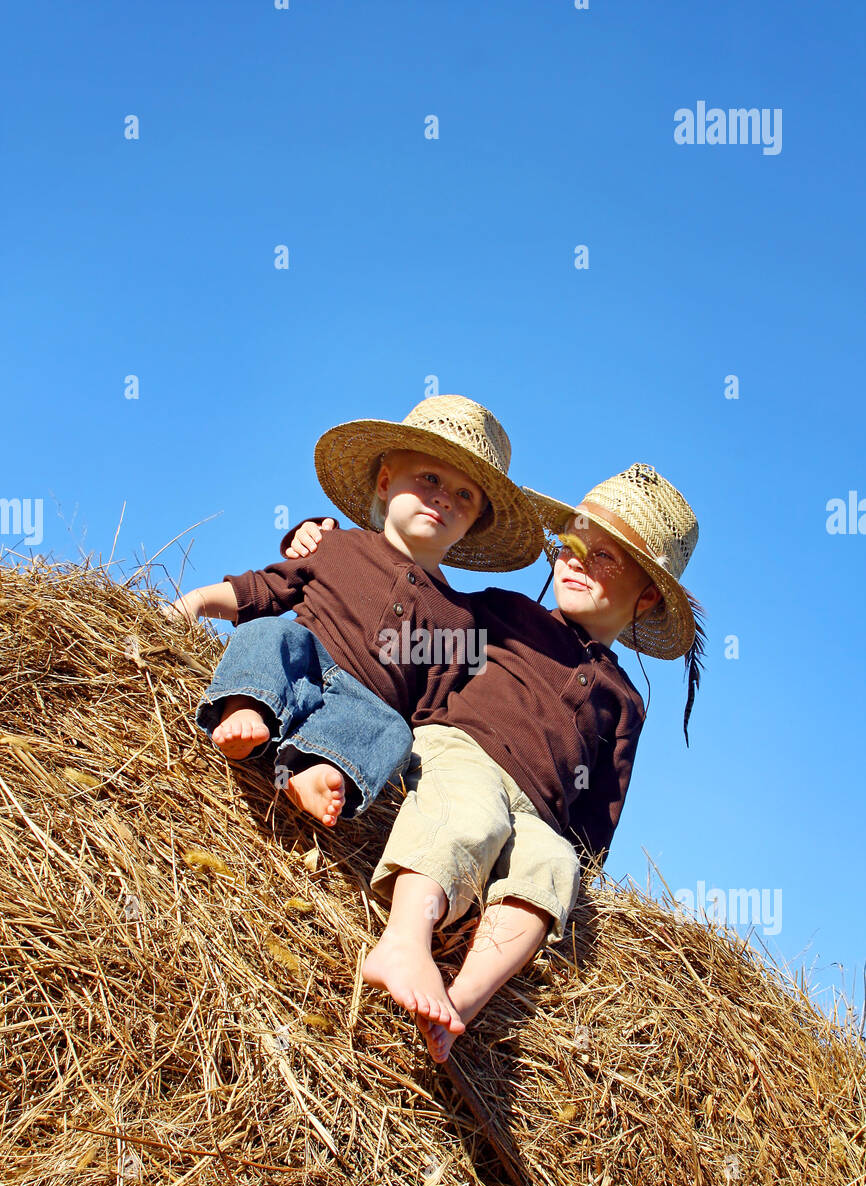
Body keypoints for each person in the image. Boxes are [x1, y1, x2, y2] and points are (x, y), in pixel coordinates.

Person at [288, 463, 704, 1060]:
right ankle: (404, 940)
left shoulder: (626, 703)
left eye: (606, 556)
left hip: (538, 812)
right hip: (461, 751)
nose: (577, 560)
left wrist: (585, 868)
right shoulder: (506, 613)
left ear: (648, 595)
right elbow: (412, 596)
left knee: (554, 870)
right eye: (572, 545)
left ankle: (462, 1001)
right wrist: (316, 540)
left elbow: (599, 811)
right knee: (471, 814)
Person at [170, 395, 544, 831]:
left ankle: (315, 769)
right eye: (429, 478)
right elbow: (262, 590)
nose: (444, 498)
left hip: (362, 706)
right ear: (385, 483)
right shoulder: (334, 545)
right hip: (300, 665)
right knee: (270, 634)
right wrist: (195, 601)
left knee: (393, 732)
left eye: (464, 494)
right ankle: (245, 708)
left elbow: (430, 710)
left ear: (474, 522)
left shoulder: (460, 618)